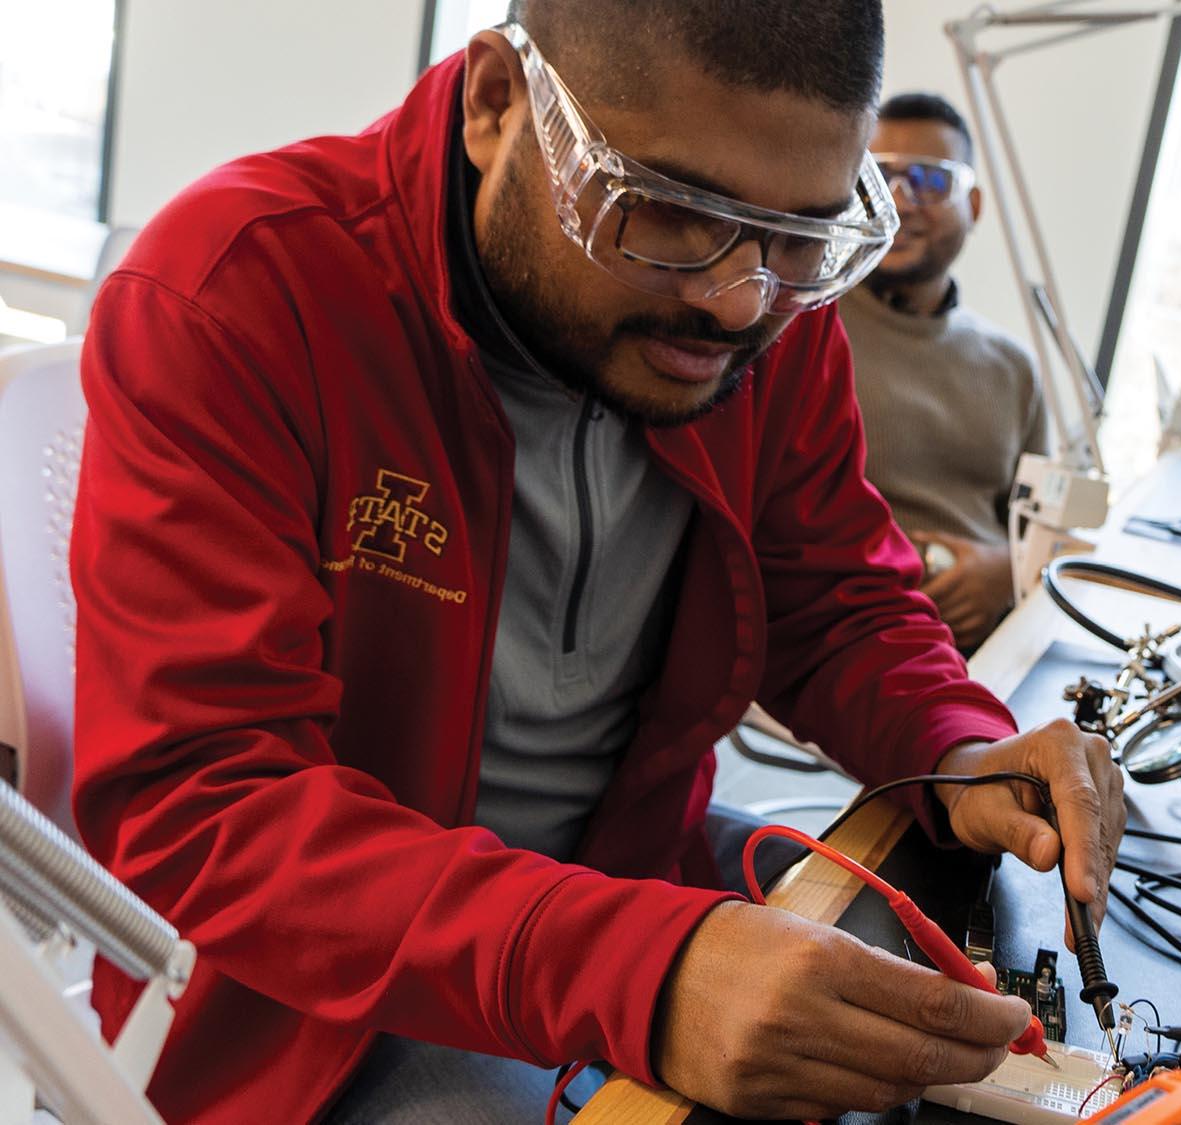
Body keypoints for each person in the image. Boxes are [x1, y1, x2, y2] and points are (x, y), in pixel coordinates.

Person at [69, 3, 1124, 1122]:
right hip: (321, 1006)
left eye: (800, 237)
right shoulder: (239, 291)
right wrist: (650, 970)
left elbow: (832, 599)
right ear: (495, 105)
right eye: (669, 216)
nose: (736, 299)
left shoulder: (764, 293)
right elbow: (208, 807)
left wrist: (957, 743)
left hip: (627, 866)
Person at [840, 92, 1045, 651]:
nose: (901, 201)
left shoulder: (1013, 367)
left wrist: (1004, 572)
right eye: (880, 178)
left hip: (997, 651)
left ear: (973, 205)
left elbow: (1049, 532)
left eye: (930, 182)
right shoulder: (804, 332)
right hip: (858, 647)